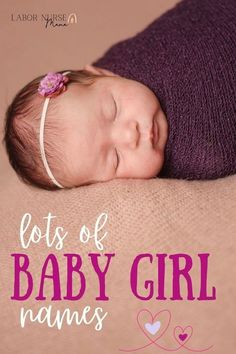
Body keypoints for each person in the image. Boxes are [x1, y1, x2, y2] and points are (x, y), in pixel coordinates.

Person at [3, 0, 236, 191]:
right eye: (115, 158)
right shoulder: (197, 152)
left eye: (113, 109)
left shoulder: (135, 60)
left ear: (101, 72)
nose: (130, 134)